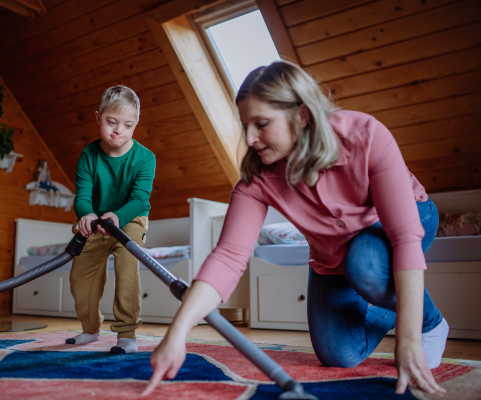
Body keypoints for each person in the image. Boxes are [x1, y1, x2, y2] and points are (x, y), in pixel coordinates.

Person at [142, 60, 448, 396]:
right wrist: (177, 333)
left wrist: (408, 340)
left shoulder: (365, 135)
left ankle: (429, 322)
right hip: (333, 254)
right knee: (338, 356)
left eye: (261, 124)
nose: (249, 138)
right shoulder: (256, 179)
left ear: (301, 115)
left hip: (400, 224)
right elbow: (229, 257)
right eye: (245, 125)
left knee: (366, 263)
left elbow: (403, 236)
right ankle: (401, 306)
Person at [65, 85, 156, 354]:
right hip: (94, 222)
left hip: (130, 218)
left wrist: (118, 216)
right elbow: (82, 196)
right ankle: (90, 330)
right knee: (80, 278)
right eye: (111, 122)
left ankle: (126, 335)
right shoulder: (89, 154)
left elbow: (140, 199)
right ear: (98, 117)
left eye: (128, 125)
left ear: (136, 124)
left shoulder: (145, 158)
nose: (119, 131)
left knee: (127, 270)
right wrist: (87, 214)